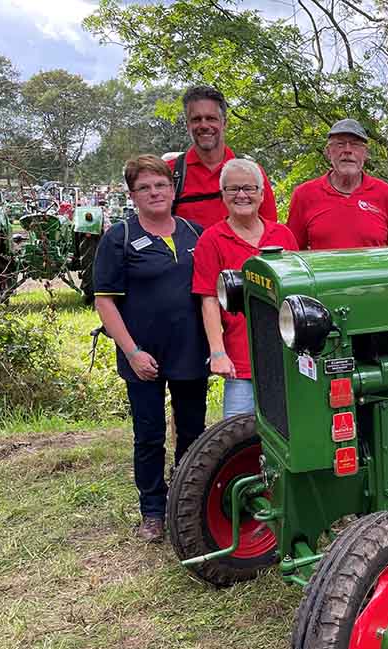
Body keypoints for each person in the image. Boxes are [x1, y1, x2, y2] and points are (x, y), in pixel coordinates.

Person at [93, 154, 209, 542]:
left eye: (160, 185)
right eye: (144, 187)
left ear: (173, 189)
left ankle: (189, 501)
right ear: (132, 194)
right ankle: (153, 511)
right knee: (149, 434)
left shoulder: (195, 233)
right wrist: (132, 352)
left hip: (190, 351)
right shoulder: (119, 238)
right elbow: (105, 302)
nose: (154, 192)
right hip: (142, 356)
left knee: (193, 431)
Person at [192, 158, 300, 418]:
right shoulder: (212, 240)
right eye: (233, 189)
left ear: (262, 195)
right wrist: (218, 352)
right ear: (223, 195)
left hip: (285, 358)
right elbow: (208, 300)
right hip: (241, 363)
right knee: (239, 437)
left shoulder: (283, 236)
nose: (242, 195)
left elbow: (299, 295)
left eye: (249, 188)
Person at [168, 85, 278, 227]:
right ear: (187, 125)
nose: (204, 125)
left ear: (224, 123)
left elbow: (271, 232)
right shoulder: (169, 174)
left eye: (211, 118)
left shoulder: (251, 173)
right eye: (196, 119)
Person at [286, 119, 388, 249]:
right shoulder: (304, 195)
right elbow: (294, 253)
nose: (347, 150)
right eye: (340, 144)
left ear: (365, 153)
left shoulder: (386, 194)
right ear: (328, 152)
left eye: (355, 144)